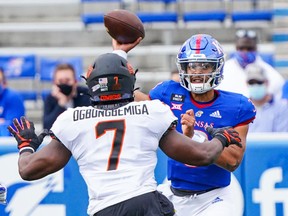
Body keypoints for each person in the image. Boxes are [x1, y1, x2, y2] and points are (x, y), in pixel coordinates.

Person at [8, 53, 242, 216]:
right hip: (148, 203)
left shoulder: (72, 120)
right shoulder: (150, 111)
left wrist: (26, 146)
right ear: (130, 82)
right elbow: (201, 156)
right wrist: (222, 137)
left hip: (106, 209)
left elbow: (28, 170)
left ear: (90, 84)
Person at [134, 34, 256, 215]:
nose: (197, 72)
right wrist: (118, 71)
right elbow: (137, 105)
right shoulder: (168, 93)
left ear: (217, 67)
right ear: (184, 68)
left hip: (216, 197)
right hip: (174, 191)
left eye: (205, 65)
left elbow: (233, 161)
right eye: (192, 66)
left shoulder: (236, 106)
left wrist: (195, 138)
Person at [218, 29, 285, 99]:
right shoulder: (223, 70)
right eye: (241, 48)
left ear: (256, 48)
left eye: (249, 48)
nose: (245, 51)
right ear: (236, 47)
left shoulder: (271, 74)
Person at [43, 63, 91, 130]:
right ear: (54, 83)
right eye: (60, 81)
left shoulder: (86, 94)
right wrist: (61, 103)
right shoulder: (50, 98)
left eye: (67, 80)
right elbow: (47, 127)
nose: (64, 84)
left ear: (75, 82)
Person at [245, 63, 288, 132]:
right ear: (247, 84)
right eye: (251, 83)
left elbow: (282, 137)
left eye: (259, 82)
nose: (255, 85)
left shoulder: (282, 107)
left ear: (267, 82)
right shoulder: (242, 109)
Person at [0, 67, 25, 136]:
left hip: (9, 143)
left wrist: (4, 124)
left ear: (4, 83)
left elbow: (12, 128)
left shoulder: (14, 97)